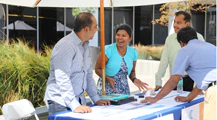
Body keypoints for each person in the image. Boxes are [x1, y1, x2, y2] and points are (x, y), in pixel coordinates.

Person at [142, 26, 216, 120]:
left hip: (214, 92)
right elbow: (204, 82)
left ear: (181, 43)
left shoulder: (185, 50)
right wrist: (188, 98)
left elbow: (174, 81)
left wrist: (155, 98)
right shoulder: (210, 46)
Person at [44, 12, 110, 115]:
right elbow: (62, 77)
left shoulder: (85, 46)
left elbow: (88, 76)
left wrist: (96, 99)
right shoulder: (66, 45)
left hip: (77, 102)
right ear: (86, 29)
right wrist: (74, 105)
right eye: (95, 26)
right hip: (61, 103)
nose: (97, 29)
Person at [155, 11, 204, 91]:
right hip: (174, 81)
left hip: (192, 82)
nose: (175, 25)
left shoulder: (199, 38)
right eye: (174, 22)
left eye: (179, 23)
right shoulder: (170, 39)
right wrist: (158, 82)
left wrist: (197, 86)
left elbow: (201, 64)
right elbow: (164, 61)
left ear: (187, 24)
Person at [95, 24, 149, 95]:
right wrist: (107, 78)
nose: (120, 38)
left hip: (124, 90)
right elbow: (98, 69)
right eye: (118, 35)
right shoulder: (108, 50)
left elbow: (132, 71)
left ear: (130, 38)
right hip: (107, 89)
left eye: (124, 35)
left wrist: (134, 79)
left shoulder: (133, 52)